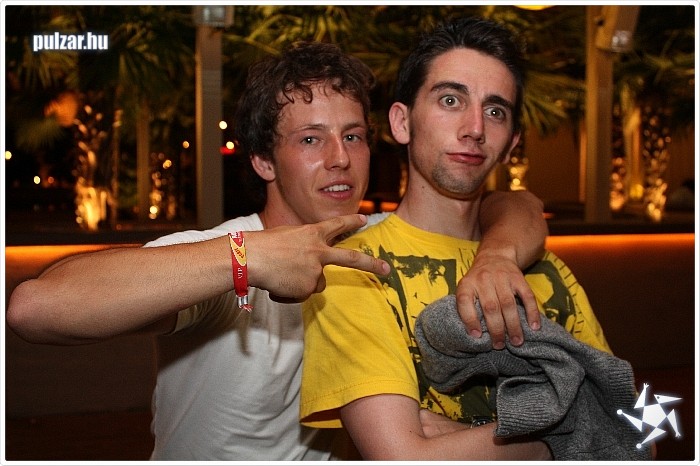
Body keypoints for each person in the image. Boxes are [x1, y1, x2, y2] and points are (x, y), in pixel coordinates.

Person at [6, 41, 547, 461]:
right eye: (310, 139)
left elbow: (514, 205)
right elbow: (35, 308)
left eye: (353, 136)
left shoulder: (380, 242)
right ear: (264, 161)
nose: (339, 158)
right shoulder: (226, 252)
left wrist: (497, 256)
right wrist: (247, 260)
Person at [299, 18, 615, 460]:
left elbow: (639, 431)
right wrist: (566, 436)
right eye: (450, 100)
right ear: (402, 122)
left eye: (495, 111)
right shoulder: (353, 268)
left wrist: (471, 438)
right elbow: (402, 459)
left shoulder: (546, 267)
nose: (475, 128)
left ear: (511, 143)